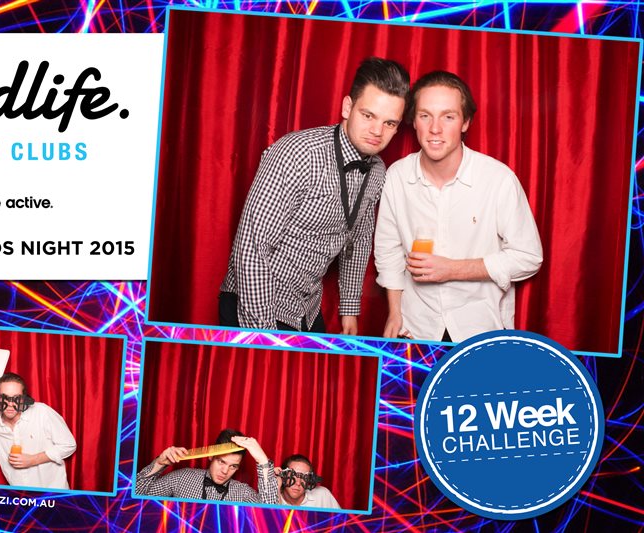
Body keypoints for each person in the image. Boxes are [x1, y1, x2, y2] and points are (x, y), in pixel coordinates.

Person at [219, 57, 410, 335]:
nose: (377, 131)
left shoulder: (378, 171)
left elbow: (357, 241)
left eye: (389, 123)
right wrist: (263, 335)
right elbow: (252, 248)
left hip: (306, 310)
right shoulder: (298, 153)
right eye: (368, 116)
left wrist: (349, 310)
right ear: (347, 107)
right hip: (255, 303)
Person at [374, 71, 543, 343]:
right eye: (425, 115)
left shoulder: (498, 179)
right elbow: (388, 251)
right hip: (415, 330)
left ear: (465, 122)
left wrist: (453, 269)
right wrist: (394, 313)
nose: (435, 128)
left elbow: (529, 257)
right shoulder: (397, 176)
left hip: (480, 331)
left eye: (448, 117)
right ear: (413, 121)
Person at [136, 428, 279, 503]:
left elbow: (271, 517)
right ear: (210, 456)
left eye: (233, 466)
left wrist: (263, 461)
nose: (225, 471)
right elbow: (133, 500)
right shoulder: (182, 477)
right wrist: (158, 464)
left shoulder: (243, 493)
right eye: (221, 461)